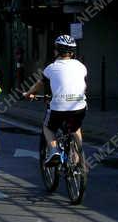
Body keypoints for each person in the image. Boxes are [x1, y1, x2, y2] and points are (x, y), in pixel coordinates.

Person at [25, 34, 87, 167]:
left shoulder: (51, 67)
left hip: (59, 107)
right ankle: (78, 157)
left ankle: (54, 152)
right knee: (75, 127)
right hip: (79, 106)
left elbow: (39, 85)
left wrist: (29, 93)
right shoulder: (81, 66)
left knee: (48, 127)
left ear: (57, 50)